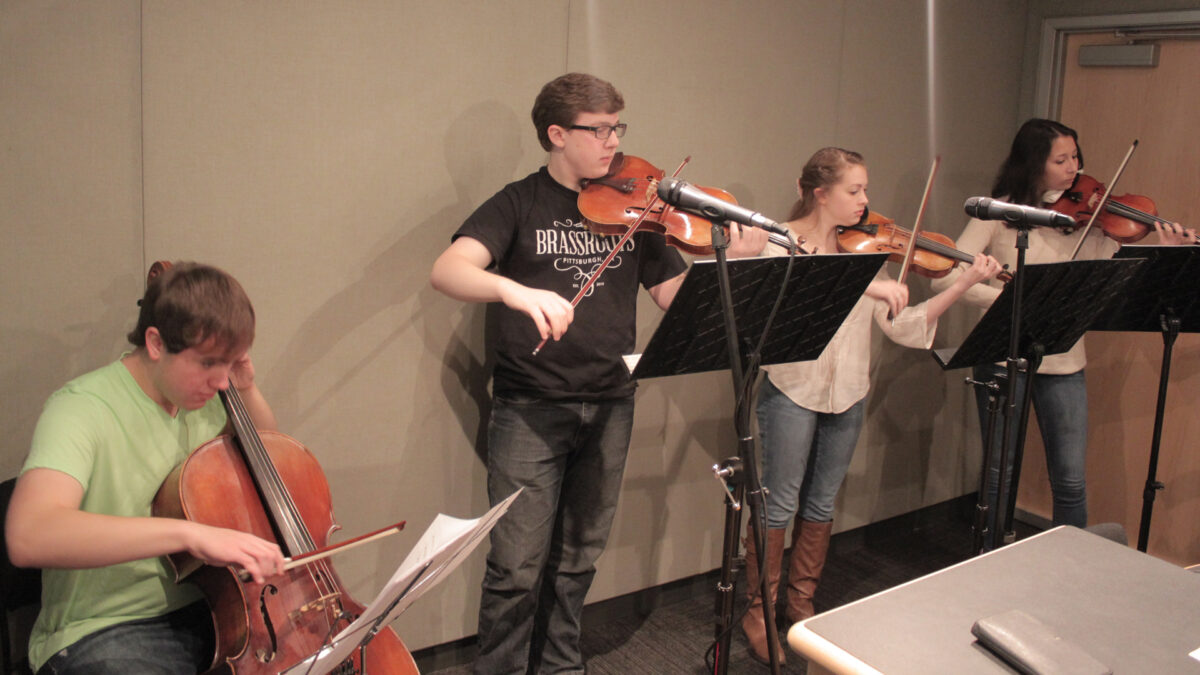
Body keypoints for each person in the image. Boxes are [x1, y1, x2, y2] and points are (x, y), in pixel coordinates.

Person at [429, 72, 765, 674]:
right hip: (531, 406)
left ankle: (560, 666)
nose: (613, 142)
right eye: (599, 129)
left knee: (579, 558)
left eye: (618, 127)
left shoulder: (639, 208)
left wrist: (730, 264)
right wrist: (512, 291)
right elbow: (449, 270)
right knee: (516, 566)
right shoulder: (517, 202)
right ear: (557, 134)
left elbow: (674, 298)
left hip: (612, 401)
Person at [744, 147, 1003, 664]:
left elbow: (904, 327)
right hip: (793, 390)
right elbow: (784, 306)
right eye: (854, 190)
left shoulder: (867, 251)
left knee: (820, 505)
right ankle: (758, 612)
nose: (866, 201)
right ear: (820, 193)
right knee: (778, 504)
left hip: (850, 391)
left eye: (866, 190)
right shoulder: (779, 242)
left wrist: (966, 283)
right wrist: (867, 285)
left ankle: (801, 604)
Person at [5, 262, 287, 675]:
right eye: (209, 363)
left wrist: (247, 386)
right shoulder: (81, 408)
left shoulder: (209, 401)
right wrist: (189, 533)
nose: (221, 382)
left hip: (210, 608)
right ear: (155, 343)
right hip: (106, 629)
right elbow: (29, 535)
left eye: (230, 364)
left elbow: (270, 459)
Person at [930, 118, 1196, 537]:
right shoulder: (999, 213)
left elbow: (1113, 280)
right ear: (1034, 163)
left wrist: (1165, 250)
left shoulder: (1093, 218)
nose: (1074, 168)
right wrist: (1009, 300)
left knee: (1070, 480)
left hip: (1065, 361)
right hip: (1003, 357)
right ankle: (994, 559)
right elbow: (944, 276)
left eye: (1075, 157)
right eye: (1061, 159)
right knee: (1000, 475)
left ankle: (1071, 565)